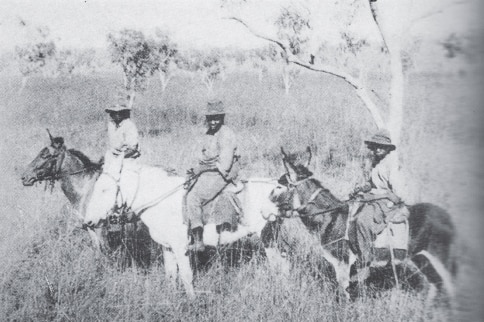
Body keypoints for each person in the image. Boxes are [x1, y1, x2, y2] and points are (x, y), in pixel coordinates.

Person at [185, 100, 241, 252]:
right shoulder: (209, 133)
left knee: (193, 197)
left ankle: (198, 240)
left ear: (222, 117)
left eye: (216, 118)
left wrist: (201, 169)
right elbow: (204, 156)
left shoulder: (226, 134)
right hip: (209, 171)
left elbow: (224, 165)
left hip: (222, 174)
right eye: (210, 118)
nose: (213, 121)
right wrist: (195, 169)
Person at [349, 129, 408, 274]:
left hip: (388, 202)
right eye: (376, 146)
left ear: (388, 148)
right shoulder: (377, 163)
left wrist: (376, 195)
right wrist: (362, 187)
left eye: (382, 146)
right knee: (350, 214)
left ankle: (365, 260)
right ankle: (355, 251)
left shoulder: (392, 165)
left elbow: (397, 194)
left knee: (363, 221)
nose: (378, 149)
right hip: (376, 199)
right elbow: (373, 183)